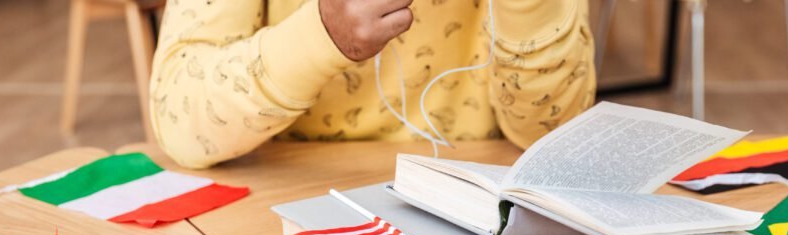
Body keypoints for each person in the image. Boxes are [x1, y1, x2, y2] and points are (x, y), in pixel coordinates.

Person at [150, 0, 595, 169]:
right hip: (283, 222)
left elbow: (554, 143)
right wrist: (321, 34)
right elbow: (183, 128)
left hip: (484, 216)